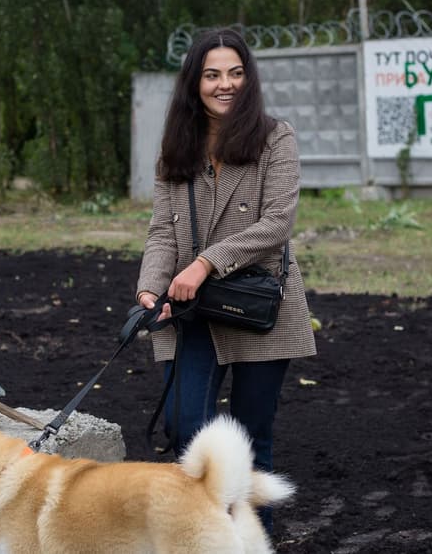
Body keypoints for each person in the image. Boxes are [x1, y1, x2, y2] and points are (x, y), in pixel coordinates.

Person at [135, 27, 317, 533]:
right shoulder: (176, 148)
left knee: (252, 432)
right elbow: (161, 231)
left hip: (259, 307)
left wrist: (205, 263)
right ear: (195, 82)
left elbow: (277, 224)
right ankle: (206, 532)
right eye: (213, 74)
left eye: (236, 73)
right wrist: (150, 288)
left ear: (248, 78)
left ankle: (252, 538)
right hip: (191, 310)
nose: (225, 84)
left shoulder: (274, 137)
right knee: (184, 426)